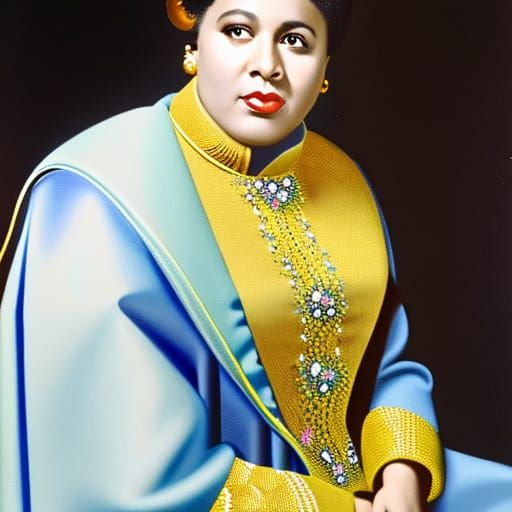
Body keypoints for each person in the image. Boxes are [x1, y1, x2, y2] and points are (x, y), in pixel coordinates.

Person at [0, 0, 511, 510]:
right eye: (239, 30)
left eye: (295, 40)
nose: (267, 65)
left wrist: (402, 475)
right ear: (196, 42)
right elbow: (118, 463)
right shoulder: (94, 195)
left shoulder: (340, 178)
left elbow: (383, 367)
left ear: (325, 67)